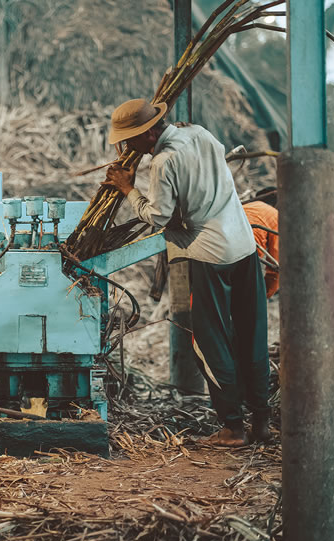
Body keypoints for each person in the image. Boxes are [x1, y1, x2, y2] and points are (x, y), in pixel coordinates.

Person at [104, 98, 270, 446]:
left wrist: (128, 189)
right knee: (252, 333)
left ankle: (232, 427)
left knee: (209, 341)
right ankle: (262, 422)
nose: (126, 147)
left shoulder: (164, 162)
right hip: (243, 246)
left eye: (130, 139)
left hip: (209, 254)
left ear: (149, 134)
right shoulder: (201, 134)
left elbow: (158, 217)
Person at [242, 187, 279, 299]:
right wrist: (264, 294)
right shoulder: (275, 215)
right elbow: (276, 267)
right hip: (243, 255)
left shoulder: (243, 207)